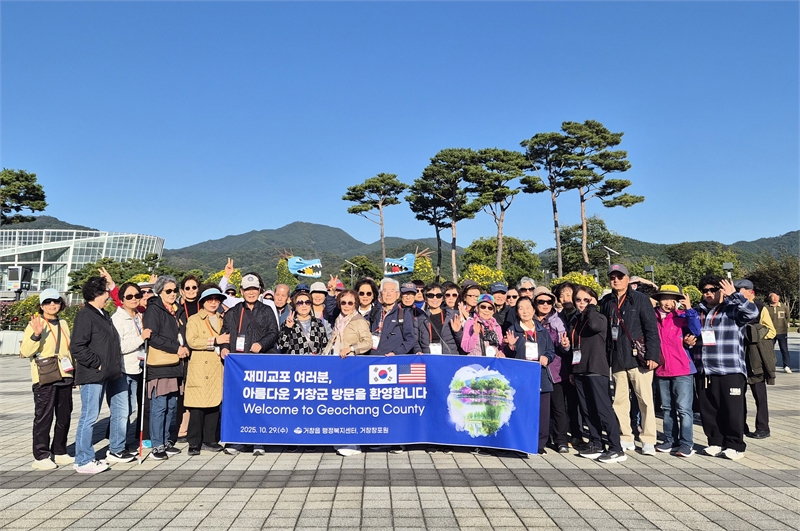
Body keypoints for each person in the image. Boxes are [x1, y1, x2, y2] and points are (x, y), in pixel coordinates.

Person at [692, 276, 759, 460]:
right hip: (705, 369)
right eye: (705, 291)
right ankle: (715, 441)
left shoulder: (733, 309)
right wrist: (689, 340)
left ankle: (735, 445)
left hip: (730, 368)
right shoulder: (698, 311)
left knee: (732, 410)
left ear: (722, 290)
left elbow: (752, 313)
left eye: (713, 290)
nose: (708, 294)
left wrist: (735, 295)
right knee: (708, 409)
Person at [600, 264, 662, 456]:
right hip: (617, 357)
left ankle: (648, 439)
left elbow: (651, 329)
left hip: (639, 358)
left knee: (645, 400)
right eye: (612, 277)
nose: (616, 280)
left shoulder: (640, 299)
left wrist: (653, 355)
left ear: (628, 279)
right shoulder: (606, 301)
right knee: (619, 401)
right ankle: (625, 436)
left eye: (620, 276)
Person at [219, 272, 280, 456]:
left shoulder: (267, 310)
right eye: (247, 289)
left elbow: (274, 332)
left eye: (254, 289)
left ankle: (258, 441)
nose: (251, 292)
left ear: (259, 290)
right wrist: (223, 347)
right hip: (238, 367)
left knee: (259, 403)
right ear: (241, 291)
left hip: (260, 363)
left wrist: (261, 344)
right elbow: (225, 333)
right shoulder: (233, 312)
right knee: (239, 402)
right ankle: (238, 440)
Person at [563, 285, 626, 463]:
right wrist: (571, 368)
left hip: (596, 368)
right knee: (587, 409)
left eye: (586, 299)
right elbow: (574, 345)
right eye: (578, 300)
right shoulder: (575, 320)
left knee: (603, 409)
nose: (582, 303)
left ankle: (616, 448)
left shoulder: (598, 317)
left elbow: (595, 326)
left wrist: (591, 307)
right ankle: (596, 443)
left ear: (594, 301)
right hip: (579, 368)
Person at [70, 276, 125, 473]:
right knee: (89, 416)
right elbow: (77, 346)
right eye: (106, 293)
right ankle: (83, 460)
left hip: (104, 374)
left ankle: (86, 457)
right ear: (96, 294)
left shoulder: (102, 314)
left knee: (91, 415)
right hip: (92, 374)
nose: (108, 297)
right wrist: (97, 363)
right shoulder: (86, 315)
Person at [20, 289, 75, 470]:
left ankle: (59, 451)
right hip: (45, 376)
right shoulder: (36, 323)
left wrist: (74, 374)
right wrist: (36, 334)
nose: (52, 305)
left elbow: (69, 350)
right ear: (42, 306)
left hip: (65, 374)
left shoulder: (63, 323)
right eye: (48, 302)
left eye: (56, 301)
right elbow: (26, 351)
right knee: (44, 416)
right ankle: (41, 455)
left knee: (64, 416)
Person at [652, 285, 700, 457]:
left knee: (684, 409)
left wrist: (689, 309)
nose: (668, 303)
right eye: (664, 299)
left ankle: (687, 443)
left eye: (672, 299)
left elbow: (696, 331)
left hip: (682, 368)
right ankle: (670, 440)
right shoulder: (652, 318)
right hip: (662, 369)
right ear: (659, 300)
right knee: (666, 408)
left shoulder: (682, 316)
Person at [144, 275, 188, 461]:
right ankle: (157, 445)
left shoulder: (177, 310)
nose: (172, 294)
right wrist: (176, 348)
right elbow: (152, 337)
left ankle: (166, 441)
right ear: (159, 292)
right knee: (159, 406)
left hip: (175, 365)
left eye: (174, 290)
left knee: (171, 406)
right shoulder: (154, 309)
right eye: (168, 290)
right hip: (160, 365)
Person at [324, 289, 373, 456]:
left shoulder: (359, 321)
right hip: (336, 366)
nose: (346, 305)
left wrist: (351, 348)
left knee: (351, 406)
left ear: (355, 304)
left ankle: (353, 443)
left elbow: (368, 342)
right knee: (339, 406)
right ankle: (341, 438)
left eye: (350, 303)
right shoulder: (339, 319)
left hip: (352, 367)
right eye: (343, 302)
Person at [504, 296, 556, 456]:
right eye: (521, 308)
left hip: (541, 376)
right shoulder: (513, 330)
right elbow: (507, 356)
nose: (525, 311)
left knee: (542, 413)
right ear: (517, 312)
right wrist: (510, 346)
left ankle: (540, 444)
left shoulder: (542, 331)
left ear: (534, 310)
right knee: (522, 411)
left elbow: (551, 351)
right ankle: (522, 443)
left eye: (528, 307)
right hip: (521, 378)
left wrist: (547, 357)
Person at [184, 288, 229, 456]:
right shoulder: (194, 319)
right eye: (210, 299)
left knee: (214, 405)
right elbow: (192, 341)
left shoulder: (223, 319)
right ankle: (194, 442)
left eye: (217, 300)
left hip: (217, 366)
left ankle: (209, 439)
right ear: (203, 302)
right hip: (200, 367)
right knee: (197, 407)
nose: (213, 303)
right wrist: (215, 340)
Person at [111, 283, 151, 454]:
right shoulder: (117, 319)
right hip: (122, 369)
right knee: (121, 410)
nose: (134, 299)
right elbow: (119, 347)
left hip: (136, 368)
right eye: (129, 296)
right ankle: (116, 448)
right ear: (121, 300)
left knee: (130, 408)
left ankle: (122, 444)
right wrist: (141, 338)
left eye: (137, 295)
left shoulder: (139, 316)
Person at [530, 287, 571, 453]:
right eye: (541, 301)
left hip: (554, 370)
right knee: (538, 408)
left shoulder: (558, 321)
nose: (545, 304)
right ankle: (538, 439)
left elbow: (564, 347)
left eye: (549, 301)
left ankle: (561, 440)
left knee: (558, 407)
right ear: (535, 303)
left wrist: (565, 345)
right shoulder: (528, 319)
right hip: (533, 370)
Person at [735, 279, 776, 440]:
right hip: (738, 355)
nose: (738, 293)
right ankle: (740, 425)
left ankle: (763, 427)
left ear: (750, 291)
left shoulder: (760, 307)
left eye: (741, 290)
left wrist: (753, 333)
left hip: (755, 356)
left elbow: (771, 331)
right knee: (737, 395)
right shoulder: (734, 306)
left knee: (759, 395)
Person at [370, 278, 416, 357]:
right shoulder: (374, 312)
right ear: (381, 294)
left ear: (397, 295)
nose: (388, 294)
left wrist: (396, 353)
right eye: (385, 291)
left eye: (392, 291)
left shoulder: (404, 314)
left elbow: (410, 340)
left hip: (392, 359)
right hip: (373, 358)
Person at [422, 283, 463, 356]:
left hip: (448, 356)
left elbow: (462, 343)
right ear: (425, 298)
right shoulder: (420, 317)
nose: (435, 298)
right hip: (428, 357)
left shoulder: (453, 315)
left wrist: (457, 332)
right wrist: (418, 350)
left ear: (442, 298)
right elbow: (416, 340)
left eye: (438, 295)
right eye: (431, 295)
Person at [400, 282, 429, 354]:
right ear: (401, 295)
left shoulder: (420, 313)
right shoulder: (394, 311)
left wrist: (418, 350)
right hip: (397, 351)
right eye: (405, 294)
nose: (408, 297)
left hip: (415, 351)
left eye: (411, 294)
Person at [766, 292, 791, 373]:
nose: (775, 298)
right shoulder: (766, 308)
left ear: (779, 297)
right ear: (770, 298)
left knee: (784, 349)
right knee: (769, 350)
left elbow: (787, 317)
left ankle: (786, 366)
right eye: (772, 297)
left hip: (782, 332)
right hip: (771, 332)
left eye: (776, 296)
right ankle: (770, 366)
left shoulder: (784, 307)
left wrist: (785, 325)